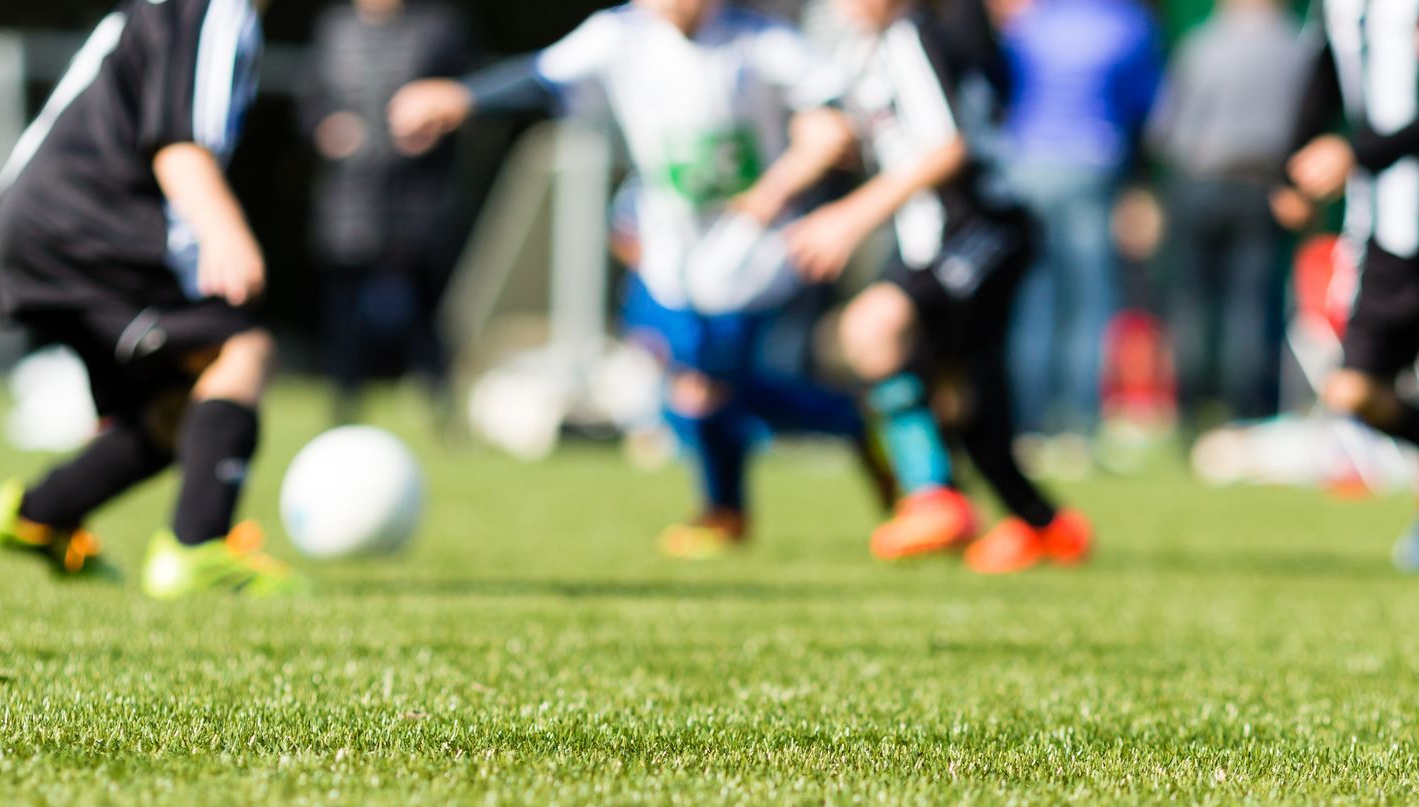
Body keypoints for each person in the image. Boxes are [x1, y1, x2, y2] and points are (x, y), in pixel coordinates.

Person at [390, 0, 888, 560]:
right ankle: (835, 430)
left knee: (706, 385)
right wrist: (460, 98)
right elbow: (543, 79)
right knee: (691, 380)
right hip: (667, 252)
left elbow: (830, 115)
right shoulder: (619, 36)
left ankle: (739, 500)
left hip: (752, 249)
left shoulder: (759, 41)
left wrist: (800, 161)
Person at [738, 0, 1093, 573]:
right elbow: (833, 128)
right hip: (935, 238)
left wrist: (848, 219)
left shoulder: (913, 38)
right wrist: (771, 192)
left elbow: (946, 149)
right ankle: (1043, 525)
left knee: (872, 328)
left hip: (979, 227)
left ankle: (933, 497)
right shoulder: (862, 50)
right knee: (958, 390)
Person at [0, 0, 304, 600]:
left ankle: (35, 515)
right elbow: (177, 142)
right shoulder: (216, 8)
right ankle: (198, 548)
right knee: (242, 351)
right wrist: (225, 231)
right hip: (86, 224)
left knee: (175, 405)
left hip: (34, 225)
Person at [1276, 0, 1419, 569]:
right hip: (1384, 234)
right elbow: (1324, 81)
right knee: (1352, 392)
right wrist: (1293, 172)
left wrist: (1353, 152)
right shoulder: (1337, 7)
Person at [999, 0, 1163, 439]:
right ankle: (1079, 424)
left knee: (1034, 300)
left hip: (1027, 166)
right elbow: (1145, 107)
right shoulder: (1127, 24)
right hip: (1092, 164)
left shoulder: (1030, 23)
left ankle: (1029, 422)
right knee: (1090, 301)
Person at [301, 0, 469, 425]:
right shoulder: (334, 26)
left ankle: (440, 407)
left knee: (427, 310)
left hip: (419, 197)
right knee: (343, 313)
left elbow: (463, 94)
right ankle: (343, 407)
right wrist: (327, 127)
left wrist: (436, 128)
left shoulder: (438, 26)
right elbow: (312, 99)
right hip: (349, 197)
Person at [1149, 0, 1311, 428]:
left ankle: (1191, 411)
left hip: (1200, 179)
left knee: (1191, 303)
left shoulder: (1202, 46)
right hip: (1263, 185)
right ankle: (1247, 413)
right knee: (1252, 303)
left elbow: (1166, 130)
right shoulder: (1298, 47)